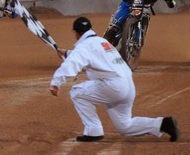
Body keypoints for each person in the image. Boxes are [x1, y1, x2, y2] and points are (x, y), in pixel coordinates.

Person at [49, 17, 180, 142]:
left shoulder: (84, 46)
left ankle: (93, 130)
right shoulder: (102, 41)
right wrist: (66, 53)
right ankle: (164, 124)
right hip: (127, 85)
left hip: (113, 86)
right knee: (125, 126)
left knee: (77, 93)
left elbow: (73, 63)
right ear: (90, 29)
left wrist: (56, 83)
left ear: (75, 33)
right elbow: (89, 56)